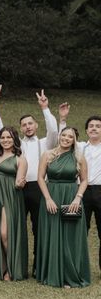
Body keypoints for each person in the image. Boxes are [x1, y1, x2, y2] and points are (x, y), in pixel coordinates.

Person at [0, 89, 60, 275]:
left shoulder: (47, 143)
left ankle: (39, 266)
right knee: (15, 227)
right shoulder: (17, 146)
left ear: (36, 125)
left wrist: (45, 107)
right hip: (18, 190)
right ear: (20, 129)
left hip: (39, 189)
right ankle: (15, 265)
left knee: (39, 230)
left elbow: (54, 130)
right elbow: (0, 130)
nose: (28, 127)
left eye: (30, 123)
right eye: (24, 125)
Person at [0, 90, 29, 280]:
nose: (5, 140)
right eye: (3, 137)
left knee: (4, 233)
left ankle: (11, 266)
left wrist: (20, 183)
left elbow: (20, 180)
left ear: (14, 139)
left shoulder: (20, 158)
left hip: (10, 196)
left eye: (9, 137)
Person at [36, 127, 90, 288]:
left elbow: (84, 180)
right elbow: (40, 177)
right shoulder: (47, 154)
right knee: (51, 233)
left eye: (70, 137)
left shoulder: (79, 157)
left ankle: (69, 275)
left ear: (74, 140)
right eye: (64, 135)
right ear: (59, 136)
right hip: (51, 196)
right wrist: (47, 199)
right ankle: (51, 273)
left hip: (71, 198)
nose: (66, 138)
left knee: (69, 237)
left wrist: (77, 199)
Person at [59, 106, 101, 272]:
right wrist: (62, 119)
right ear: (86, 130)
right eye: (91, 126)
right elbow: (63, 137)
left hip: (100, 191)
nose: (94, 128)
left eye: (98, 126)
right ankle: (76, 267)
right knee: (78, 230)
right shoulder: (80, 147)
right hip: (80, 192)